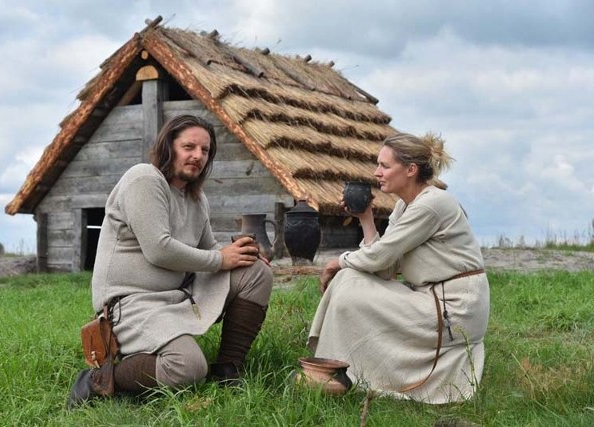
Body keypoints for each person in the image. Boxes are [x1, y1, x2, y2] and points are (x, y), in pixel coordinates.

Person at [67, 115, 273, 408]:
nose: (197, 156)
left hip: (178, 294)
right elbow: (159, 250)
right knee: (188, 367)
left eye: (205, 150)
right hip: (132, 303)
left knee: (255, 272)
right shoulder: (144, 179)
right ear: (168, 147)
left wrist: (239, 253)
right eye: (189, 146)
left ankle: (228, 369)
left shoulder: (196, 199)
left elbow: (209, 248)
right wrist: (219, 259)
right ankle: (99, 379)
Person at [308, 132, 490, 404]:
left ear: (410, 170)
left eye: (384, 166)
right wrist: (366, 218)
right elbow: (385, 268)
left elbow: (378, 259)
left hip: (454, 308)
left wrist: (338, 260)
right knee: (350, 281)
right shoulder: (404, 207)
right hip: (430, 298)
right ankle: (337, 369)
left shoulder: (433, 204)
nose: (376, 172)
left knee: (347, 279)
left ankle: (335, 373)